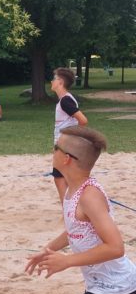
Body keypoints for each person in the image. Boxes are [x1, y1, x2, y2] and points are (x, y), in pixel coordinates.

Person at [25, 125, 136, 294]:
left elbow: (116, 247)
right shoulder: (72, 189)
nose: (52, 150)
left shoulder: (89, 196)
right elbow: (75, 229)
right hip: (110, 283)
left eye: (56, 147)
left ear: (66, 159)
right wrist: (47, 250)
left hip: (113, 287)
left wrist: (67, 261)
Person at [51, 67, 88, 203]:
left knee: (59, 177)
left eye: (54, 79)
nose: (51, 81)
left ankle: (67, 210)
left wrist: (67, 139)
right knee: (62, 176)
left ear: (60, 82)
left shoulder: (66, 101)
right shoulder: (64, 100)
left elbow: (83, 120)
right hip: (63, 144)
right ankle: (70, 207)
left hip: (65, 144)